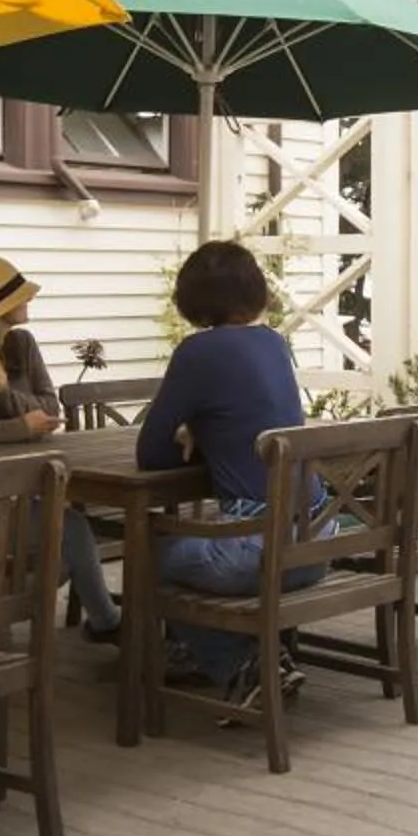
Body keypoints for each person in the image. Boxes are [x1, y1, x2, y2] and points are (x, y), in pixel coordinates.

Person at [135, 240, 314, 708]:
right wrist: (208, 435)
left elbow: (150, 453)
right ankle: (209, 654)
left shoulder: (198, 353)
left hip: (261, 549)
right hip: (317, 541)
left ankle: (240, 663)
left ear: (193, 299)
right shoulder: (276, 343)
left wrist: (191, 442)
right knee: (197, 545)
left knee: (150, 554)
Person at [0, 257, 120, 640]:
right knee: (71, 528)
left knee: (68, 535)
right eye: (20, 296)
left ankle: (32, 613)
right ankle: (108, 624)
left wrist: (5, 395)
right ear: (1, 306)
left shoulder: (23, 344)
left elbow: (50, 409)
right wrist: (18, 425)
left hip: (28, 487)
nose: (28, 301)